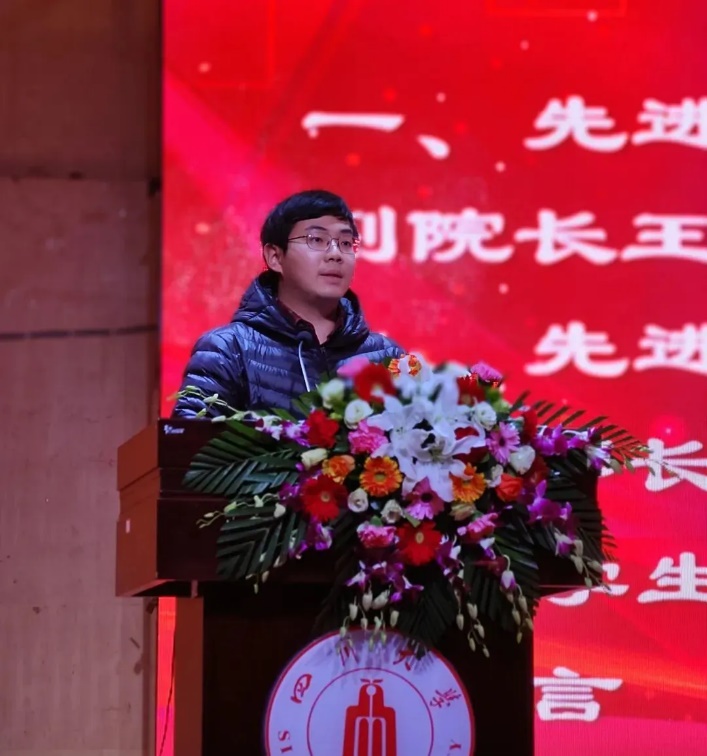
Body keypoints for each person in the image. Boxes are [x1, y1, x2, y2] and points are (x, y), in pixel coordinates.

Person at [172, 189, 404, 417]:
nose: (336, 254)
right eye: (317, 240)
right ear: (275, 257)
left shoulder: (386, 356)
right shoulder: (228, 350)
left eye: (345, 243)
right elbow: (189, 438)